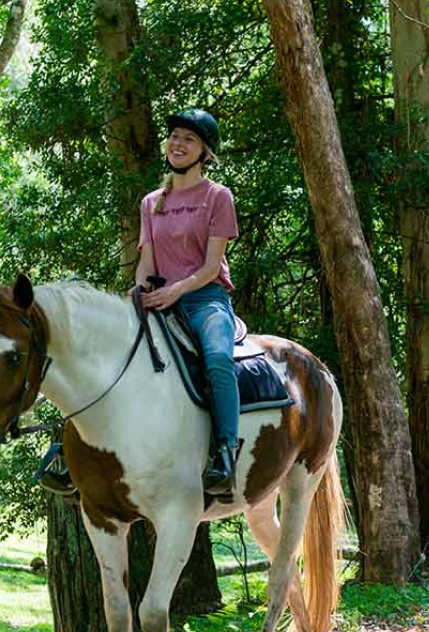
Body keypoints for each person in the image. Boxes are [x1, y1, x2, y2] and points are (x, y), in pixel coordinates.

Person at [134, 108, 241, 495]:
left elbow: (212, 267)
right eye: (175, 136)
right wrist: (142, 290)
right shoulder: (152, 202)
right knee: (107, 350)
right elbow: (145, 263)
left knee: (217, 358)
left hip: (203, 299)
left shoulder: (217, 197)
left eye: (189, 139)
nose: (178, 144)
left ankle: (226, 452)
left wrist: (175, 291)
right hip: (159, 298)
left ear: (205, 153)